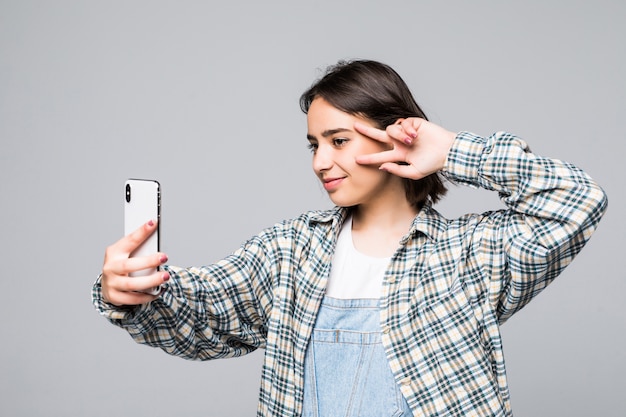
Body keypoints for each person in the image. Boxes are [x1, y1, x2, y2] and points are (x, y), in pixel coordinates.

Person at [93, 60, 607, 416]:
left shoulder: (466, 255)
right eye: (314, 144)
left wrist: (451, 149)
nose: (320, 161)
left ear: (399, 134)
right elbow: (201, 312)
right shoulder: (292, 251)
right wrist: (137, 290)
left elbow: (576, 201)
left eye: (339, 141)